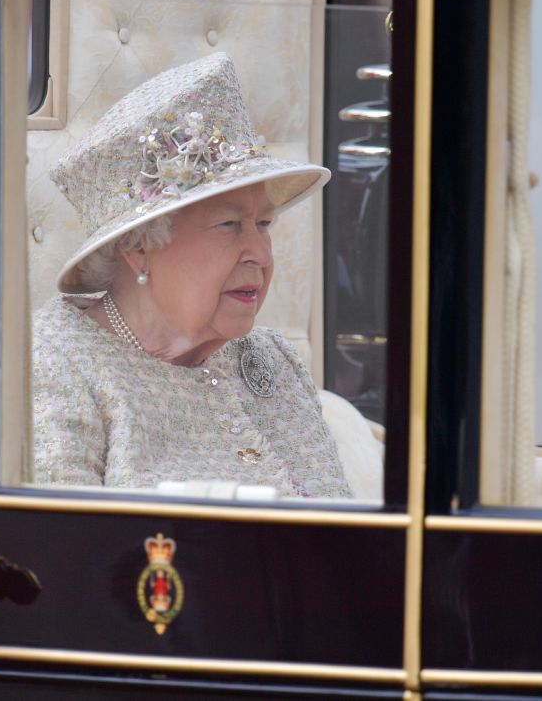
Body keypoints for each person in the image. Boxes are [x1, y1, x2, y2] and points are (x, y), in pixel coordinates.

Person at [31, 52, 350, 497]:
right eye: (228, 225)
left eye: (264, 224)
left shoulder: (271, 356)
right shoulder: (53, 362)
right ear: (139, 247)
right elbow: (58, 551)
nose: (260, 253)